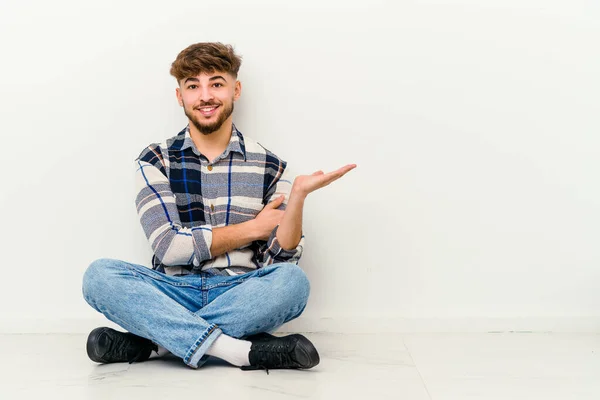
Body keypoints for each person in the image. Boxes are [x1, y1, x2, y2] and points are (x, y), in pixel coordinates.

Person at [81, 42, 356, 372]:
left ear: (235, 89)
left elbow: (279, 258)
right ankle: (239, 351)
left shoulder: (271, 166)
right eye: (193, 86)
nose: (205, 96)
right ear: (179, 96)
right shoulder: (155, 160)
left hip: (240, 291)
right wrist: (253, 228)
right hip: (172, 290)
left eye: (216, 83)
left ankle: (156, 343)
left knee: (292, 283)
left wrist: (297, 198)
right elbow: (169, 249)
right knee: (99, 277)